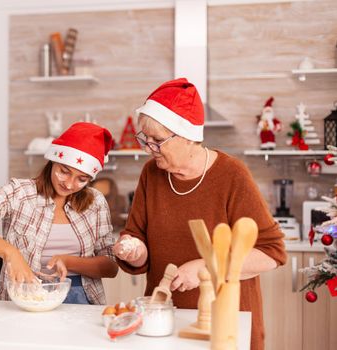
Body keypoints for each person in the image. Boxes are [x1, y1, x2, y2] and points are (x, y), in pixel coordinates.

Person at [112, 78, 286, 350]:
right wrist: (134, 250)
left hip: (224, 325)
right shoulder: (151, 173)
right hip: (163, 320)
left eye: (157, 141)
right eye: (145, 139)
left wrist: (206, 267)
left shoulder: (232, 176)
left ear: (188, 137)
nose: (148, 149)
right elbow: (138, 236)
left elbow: (272, 252)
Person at [0, 122, 118, 304]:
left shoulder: (96, 201)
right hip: (24, 295)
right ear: (53, 161)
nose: (69, 184)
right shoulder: (19, 192)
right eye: (64, 171)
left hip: (80, 296)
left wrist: (68, 261)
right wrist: (11, 253)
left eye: (81, 179)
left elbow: (110, 267)